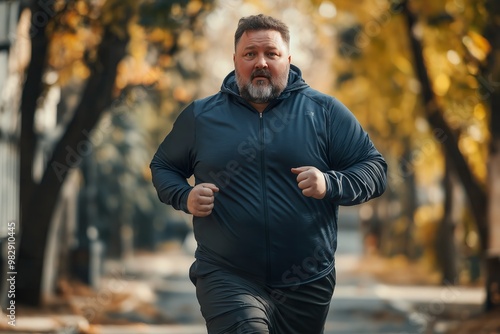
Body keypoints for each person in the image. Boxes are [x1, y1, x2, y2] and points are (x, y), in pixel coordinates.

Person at [150, 14, 387, 334]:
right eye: (250, 54)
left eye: (271, 54)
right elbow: (163, 166)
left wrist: (330, 183)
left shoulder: (324, 112)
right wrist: (185, 196)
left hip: (308, 280)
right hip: (227, 275)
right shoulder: (201, 117)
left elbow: (374, 168)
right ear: (235, 60)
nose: (260, 62)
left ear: (287, 59)